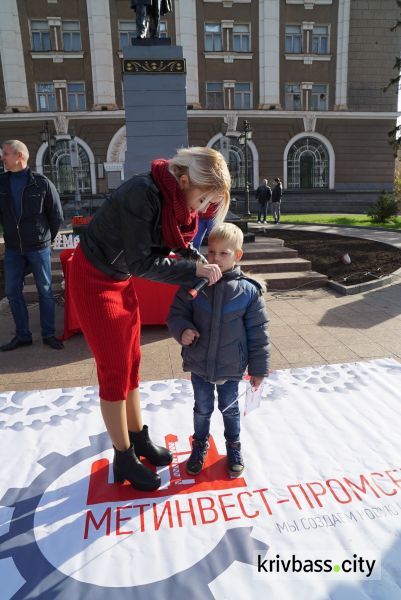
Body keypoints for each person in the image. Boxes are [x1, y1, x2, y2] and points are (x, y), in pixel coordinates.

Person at [69, 147, 231, 492]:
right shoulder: (142, 193)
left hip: (117, 278)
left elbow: (169, 242)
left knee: (131, 363)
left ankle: (137, 438)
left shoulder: (170, 196)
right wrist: (194, 270)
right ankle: (123, 456)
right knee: (114, 369)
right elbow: (142, 262)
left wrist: (196, 259)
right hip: (94, 279)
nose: (200, 210)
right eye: (202, 199)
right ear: (184, 181)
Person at [167, 223, 270, 477]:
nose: (215, 258)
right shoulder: (194, 284)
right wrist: (183, 331)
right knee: (202, 408)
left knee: (229, 408)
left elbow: (258, 333)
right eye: (211, 252)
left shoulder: (248, 292)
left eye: (224, 253)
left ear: (237, 255)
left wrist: (258, 369)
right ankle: (199, 444)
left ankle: (233, 446)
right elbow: (176, 314)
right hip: (199, 362)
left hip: (231, 366)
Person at [0, 140, 64, 351]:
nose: (3, 158)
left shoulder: (42, 183)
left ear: (19, 156)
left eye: (6, 154)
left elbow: (56, 216)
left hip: (38, 247)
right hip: (12, 249)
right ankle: (23, 335)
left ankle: (49, 334)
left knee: (45, 291)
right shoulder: (2, 183)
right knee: (12, 290)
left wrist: (45, 239)